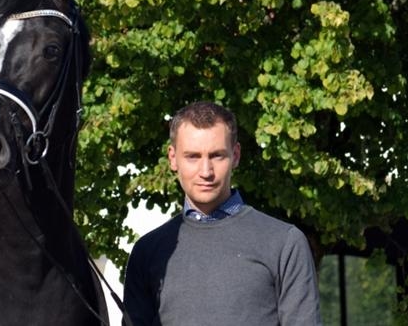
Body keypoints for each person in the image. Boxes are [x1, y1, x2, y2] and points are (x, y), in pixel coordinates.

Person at [123, 101, 321, 325]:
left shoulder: (284, 243)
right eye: (193, 157)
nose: (205, 171)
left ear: (235, 155)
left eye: (217, 155)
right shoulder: (148, 252)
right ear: (173, 158)